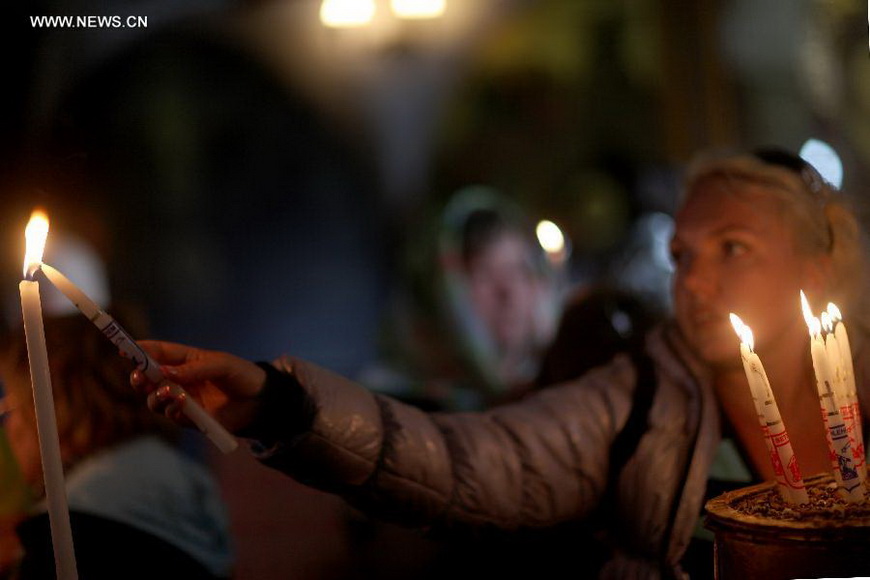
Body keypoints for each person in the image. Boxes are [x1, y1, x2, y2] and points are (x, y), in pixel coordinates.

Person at [131, 147, 870, 578]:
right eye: (681, 256)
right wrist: (282, 402)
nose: (694, 281)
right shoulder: (646, 393)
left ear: (815, 265)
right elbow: (479, 462)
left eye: (732, 248)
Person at [0, 313, 235, 580]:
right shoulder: (173, 473)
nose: (8, 426)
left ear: (53, 398)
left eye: (11, 403)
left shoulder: (72, 529)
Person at [362, 185, 561, 412]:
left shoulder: (554, 390)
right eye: (485, 274)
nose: (508, 293)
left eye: (518, 270)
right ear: (443, 292)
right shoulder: (394, 402)